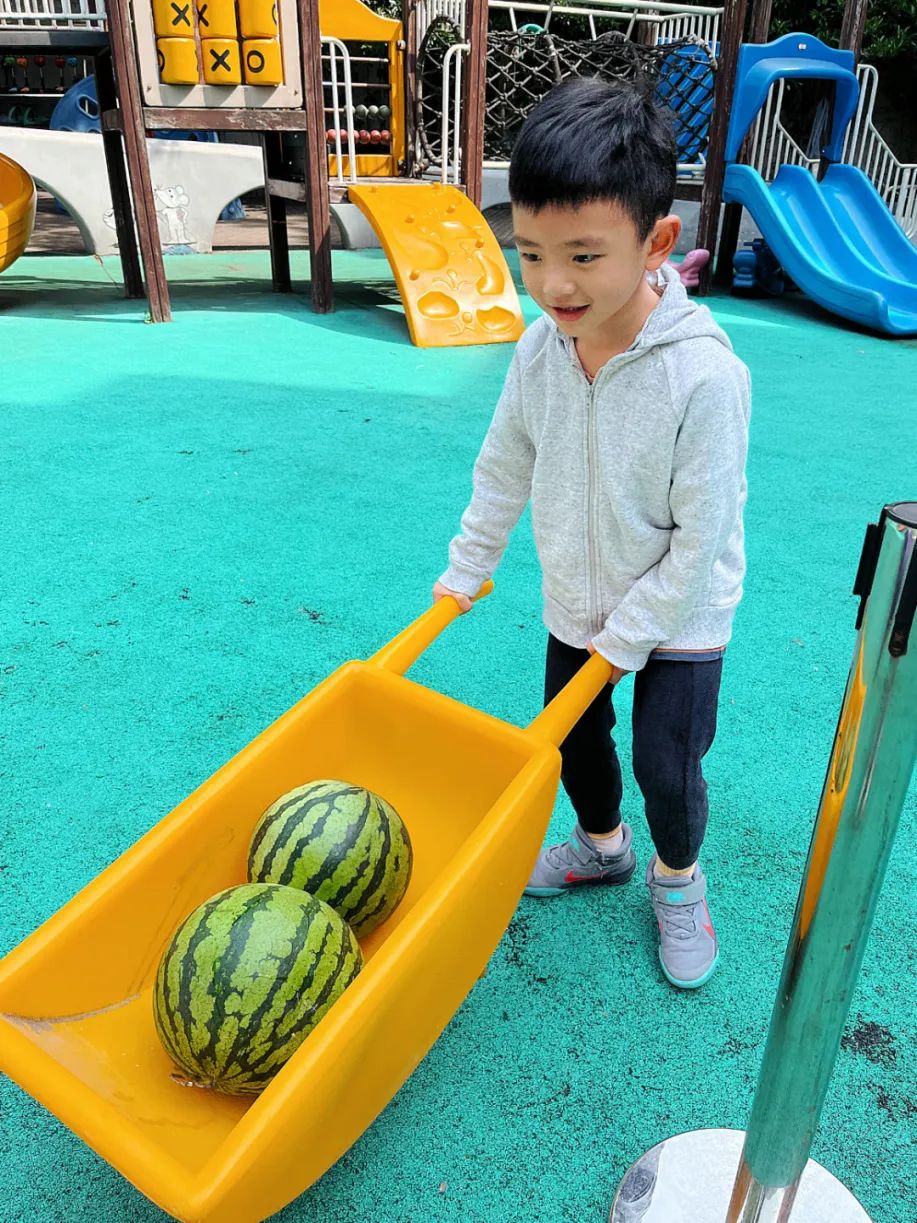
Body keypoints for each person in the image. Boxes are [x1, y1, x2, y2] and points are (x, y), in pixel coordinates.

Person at [432, 77, 751, 990]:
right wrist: (468, 568)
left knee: (665, 763)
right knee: (574, 741)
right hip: (578, 596)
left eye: (581, 255)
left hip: (677, 617)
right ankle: (602, 846)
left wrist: (626, 641)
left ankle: (676, 877)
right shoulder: (539, 351)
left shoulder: (704, 379)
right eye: (530, 253)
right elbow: (503, 466)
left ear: (656, 243)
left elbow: (698, 541)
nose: (552, 285)